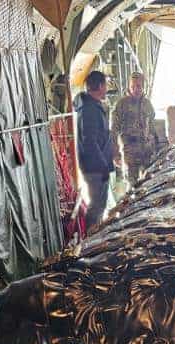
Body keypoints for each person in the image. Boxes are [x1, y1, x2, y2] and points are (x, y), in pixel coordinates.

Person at [75, 70, 114, 228]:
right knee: (97, 207)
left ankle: (94, 235)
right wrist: (102, 165)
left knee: (99, 206)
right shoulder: (89, 109)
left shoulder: (93, 106)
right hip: (95, 167)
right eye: (105, 85)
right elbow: (90, 142)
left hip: (97, 165)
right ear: (99, 86)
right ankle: (91, 242)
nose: (106, 89)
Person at [111, 72, 156, 185]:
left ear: (143, 87)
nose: (136, 89)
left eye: (139, 86)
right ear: (129, 87)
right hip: (129, 152)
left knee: (149, 183)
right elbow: (114, 130)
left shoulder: (147, 104)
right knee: (132, 186)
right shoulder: (122, 104)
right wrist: (115, 153)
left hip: (146, 151)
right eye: (133, 86)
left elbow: (151, 127)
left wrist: (155, 146)